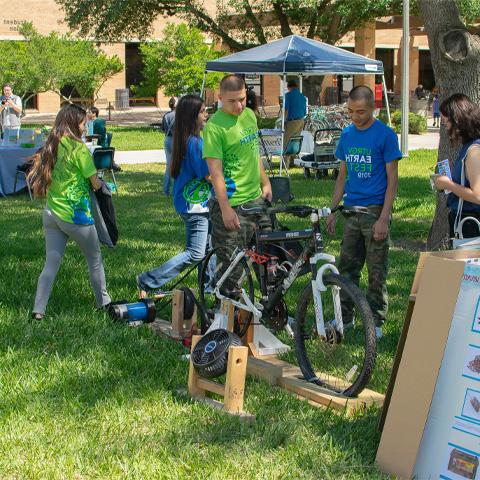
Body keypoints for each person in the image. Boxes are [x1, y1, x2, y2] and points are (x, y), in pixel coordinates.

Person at [326, 86, 402, 339]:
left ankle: (375, 321)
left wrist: (383, 218)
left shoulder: (385, 135)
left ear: (373, 108)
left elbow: (393, 180)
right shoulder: (347, 135)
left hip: (374, 211)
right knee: (347, 267)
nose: (355, 117)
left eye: (361, 112)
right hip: (351, 211)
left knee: (376, 270)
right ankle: (344, 318)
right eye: (351, 112)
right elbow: (342, 176)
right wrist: (332, 209)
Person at [28, 104, 112, 320]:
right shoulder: (79, 149)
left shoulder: (52, 144)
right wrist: (101, 183)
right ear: (75, 124)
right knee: (94, 259)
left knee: (50, 265)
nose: (85, 127)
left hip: (51, 213)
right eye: (84, 123)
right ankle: (104, 303)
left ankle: (39, 310)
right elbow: (94, 183)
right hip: (77, 216)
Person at [203, 74, 272, 292]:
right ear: (220, 97)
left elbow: (254, 152)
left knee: (269, 260)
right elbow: (215, 172)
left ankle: (262, 312)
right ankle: (227, 317)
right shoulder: (214, 127)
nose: (239, 105)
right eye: (232, 101)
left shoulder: (250, 116)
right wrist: (225, 209)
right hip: (231, 205)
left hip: (256, 200)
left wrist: (266, 182)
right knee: (232, 270)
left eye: (242, 99)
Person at [136, 95, 210, 296]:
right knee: (196, 252)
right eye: (203, 111)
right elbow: (209, 174)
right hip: (195, 206)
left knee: (208, 249)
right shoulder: (195, 144)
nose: (207, 115)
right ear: (192, 116)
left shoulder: (187, 140)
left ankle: (210, 288)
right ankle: (147, 280)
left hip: (194, 204)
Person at [433, 94, 480, 240]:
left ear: (458, 122)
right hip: (465, 220)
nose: (446, 129)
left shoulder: (473, 151)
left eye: (446, 123)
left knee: (466, 263)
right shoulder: (469, 146)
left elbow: (477, 196)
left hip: (470, 223)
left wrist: (449, 184)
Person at [283, 79, 307, 167]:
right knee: (296, 141)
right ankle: (294, 161)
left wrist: (283, 121)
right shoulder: (302, 96)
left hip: (292, 121)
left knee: (286, 142)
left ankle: (285, 164)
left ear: (289, 87)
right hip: (301, 120)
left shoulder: (288, 95)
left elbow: (286, 109)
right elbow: (305, 111)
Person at [162, 97, 177, 196]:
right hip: (176, 140)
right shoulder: (180, 115)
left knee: (169, 165)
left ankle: (166, 189)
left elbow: (163, 128)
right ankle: (177, 189)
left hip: (167, 139)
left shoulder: (166, 115)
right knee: (178, 165)